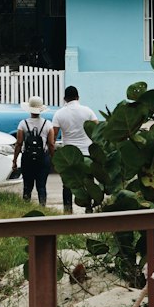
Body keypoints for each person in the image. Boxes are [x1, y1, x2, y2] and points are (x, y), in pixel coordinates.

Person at [50, 85, 98, 213]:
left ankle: (68, 211)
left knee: (67, 184)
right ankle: (89, 208)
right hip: (87, 153)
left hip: (69, 155)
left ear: (65, 99)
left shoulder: (59, 113)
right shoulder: (88, 111)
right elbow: (97, 130)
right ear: (78, 97)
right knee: (88, 182)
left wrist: (53, 156)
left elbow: (53, 137)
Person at [11, 96, 54, 207]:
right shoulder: (48, 124)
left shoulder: (23, 124)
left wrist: (14, 160)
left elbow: (19, 143)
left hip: (27, 159)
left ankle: (26, 207)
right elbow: (51, 144)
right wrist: (53, 159)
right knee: (41, 186)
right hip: (43, 159)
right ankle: (43, 207)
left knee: (27, 186)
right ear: (41, 109)